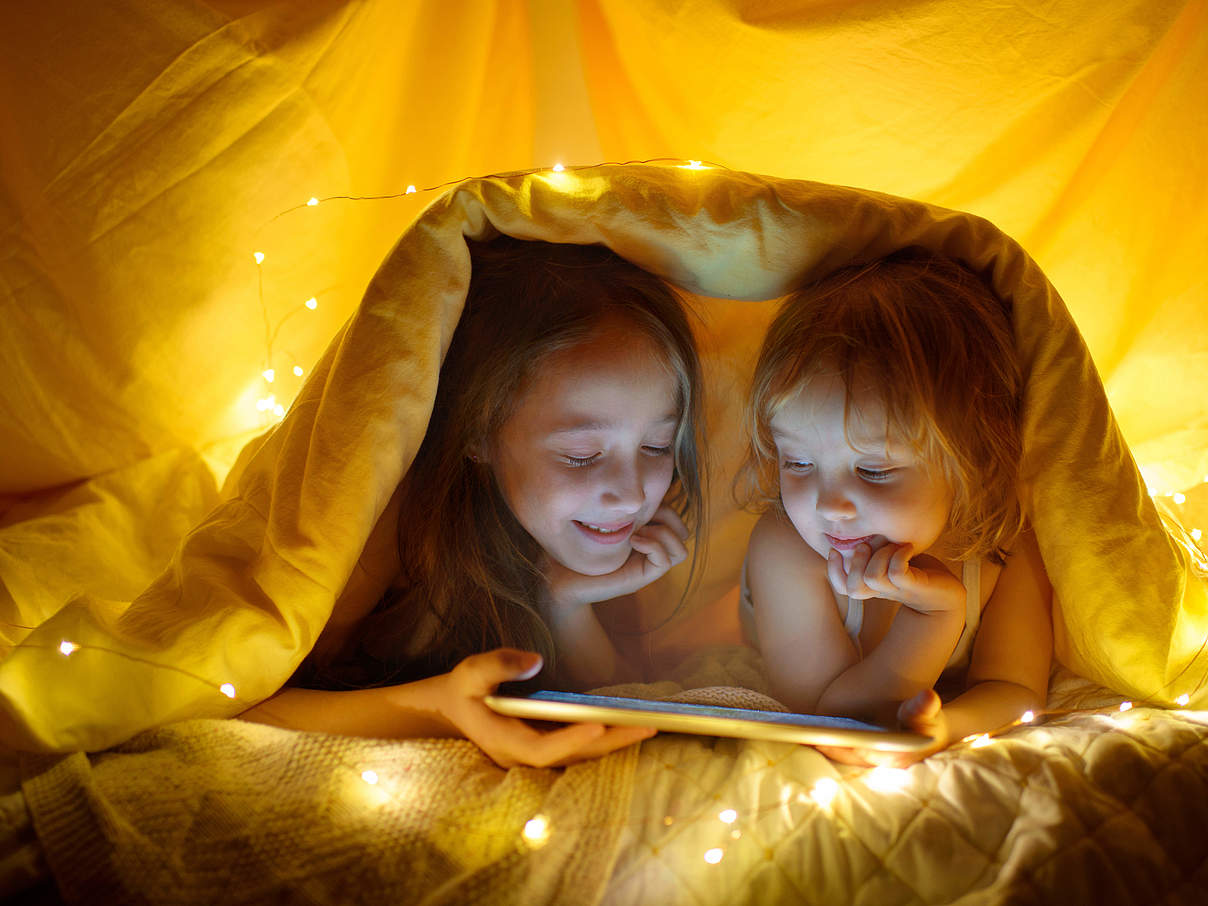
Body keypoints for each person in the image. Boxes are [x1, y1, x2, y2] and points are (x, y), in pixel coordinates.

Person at [239, 237, 706, 768]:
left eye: (657, 446)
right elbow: (243, 705)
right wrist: (437, 708)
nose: (634, 491)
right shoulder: (378, 527)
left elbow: (613, 702)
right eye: (580, 455)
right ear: (477, 430)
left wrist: (563, 605)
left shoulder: (570, 527)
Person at [739, 249, 1052, 764]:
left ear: (968, 459)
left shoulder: (1004, 544)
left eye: (873, 470)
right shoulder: (786, 549)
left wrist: (944, 727)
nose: (829, 506)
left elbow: (1015, 688)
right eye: (797, 462)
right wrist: (933, 616)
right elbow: (837, 723)